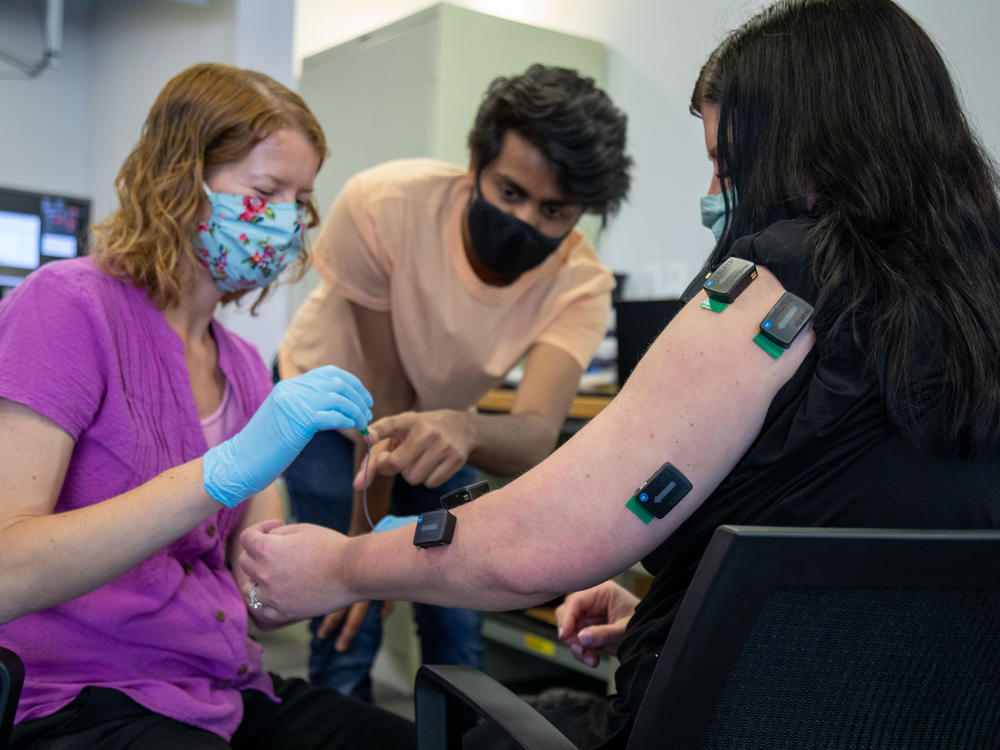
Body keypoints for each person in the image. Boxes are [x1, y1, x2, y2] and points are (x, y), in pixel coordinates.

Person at [240, 0, 1000, 747]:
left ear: (804, 149)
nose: (714, 196)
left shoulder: (776, 288)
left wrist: (342, 564)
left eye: (726, 165)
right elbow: (874, 564)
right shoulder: (976, 302)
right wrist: (689, 609)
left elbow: (536, 543)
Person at [0, 63, 415, 749]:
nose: (285, 221)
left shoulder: (246, 367)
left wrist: (367, 560)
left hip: (218, 688)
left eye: (299, 198)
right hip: (79, 695)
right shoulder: (67, 307)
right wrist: (219, 474)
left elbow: (260, 602)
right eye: (265, 191)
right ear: (179, 179)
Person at [275, 63, 632, 700]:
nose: (527, 220)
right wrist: (363, 557)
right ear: (475, 164)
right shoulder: (382, 206)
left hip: (439, 425)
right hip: (332, 412)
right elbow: (381, 407)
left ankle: (459, 729)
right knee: (348, 605)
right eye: (511, 192)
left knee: (458, 607)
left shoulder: (581, 283)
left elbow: (533, 435)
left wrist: (464, 428)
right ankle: (337, 717)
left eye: (555, 210)